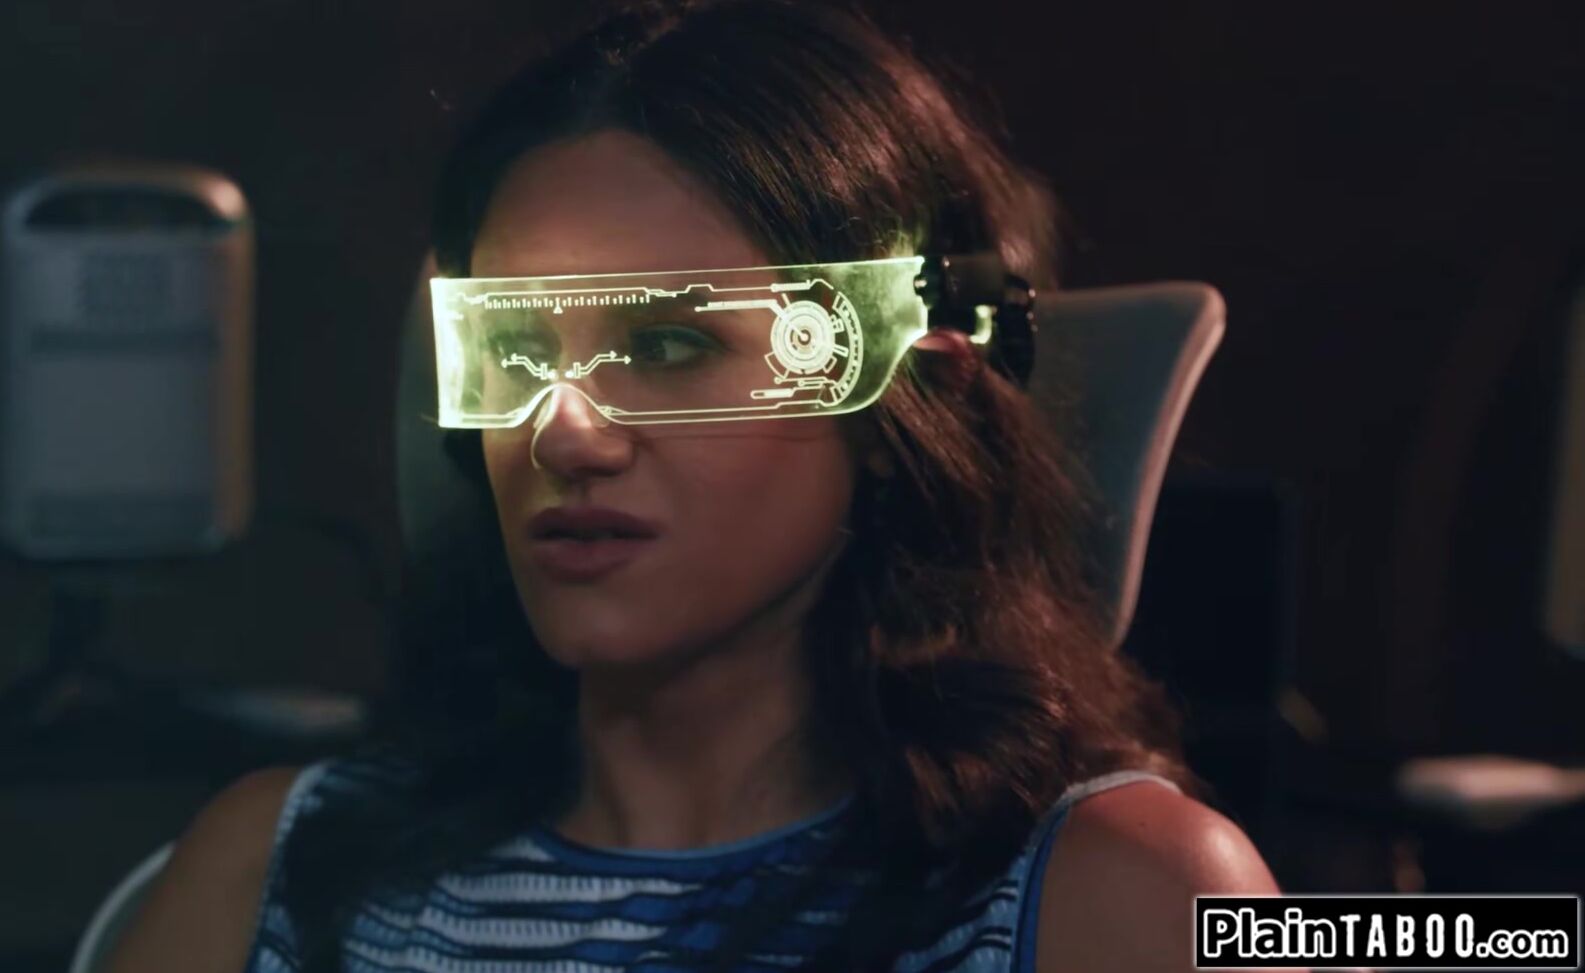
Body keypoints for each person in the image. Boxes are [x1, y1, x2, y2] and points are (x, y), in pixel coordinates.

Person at [107, 1, 1290, 971]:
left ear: (899, 403)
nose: (566, 431)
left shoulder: (1122, 896)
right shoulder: (277, 874)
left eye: (669, 347)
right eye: (516, 352)